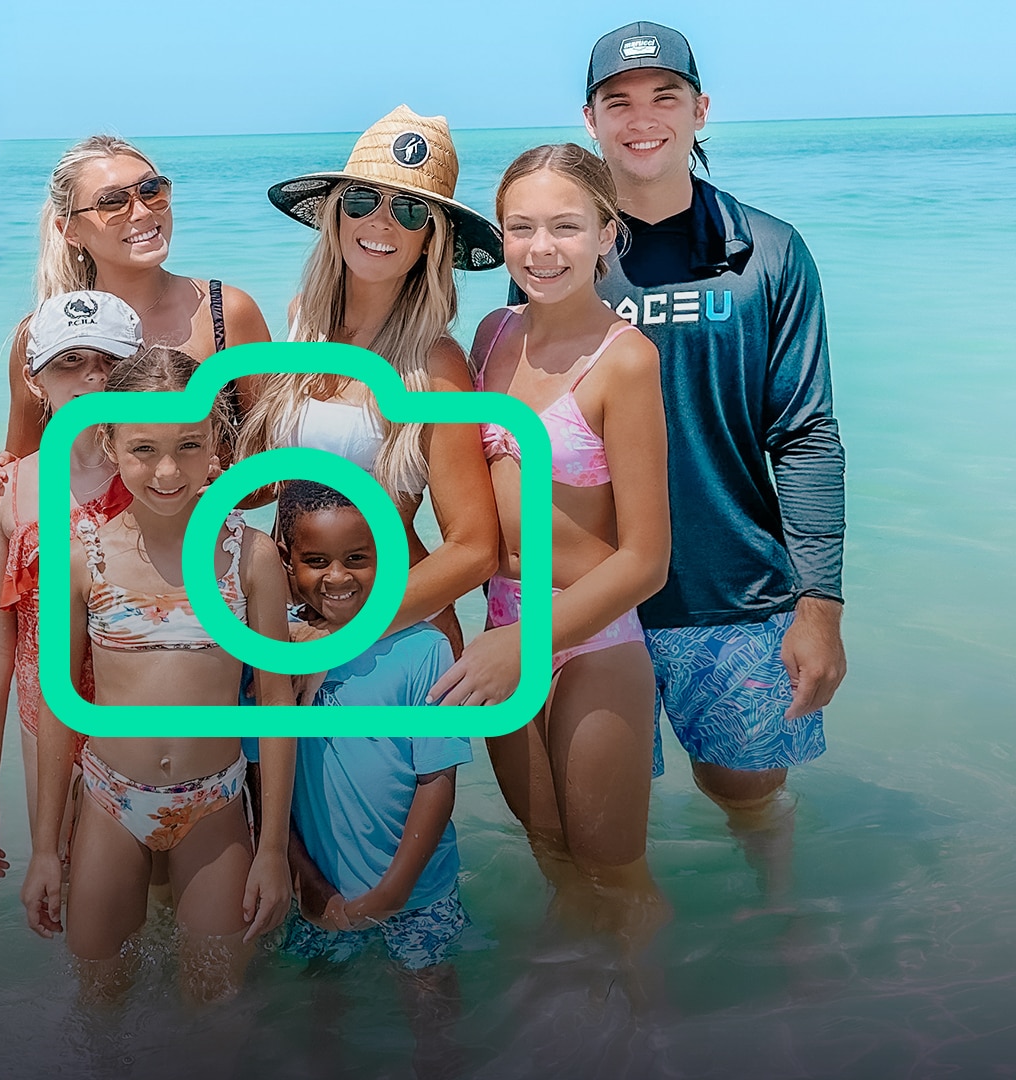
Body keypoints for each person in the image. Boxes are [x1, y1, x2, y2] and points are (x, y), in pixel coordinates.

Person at [484, 22, 847, 893]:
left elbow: (805, 432)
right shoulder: (558, 249)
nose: (641, 119)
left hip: (729, 590)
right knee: (590, 834)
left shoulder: (767, 251)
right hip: (586, 601)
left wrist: (821, 604)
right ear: (591, 118)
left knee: (745, 791)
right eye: (619, 102)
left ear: (699, 109)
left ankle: (780, 915)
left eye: (664, 97)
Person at [434, 146, 670, 950]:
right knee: (553, 860)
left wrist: (522, 647)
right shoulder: (491, 335)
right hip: (501, 624)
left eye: (567, 227)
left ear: (609, 232)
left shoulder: (625, 360)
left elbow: (646, 560)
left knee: (616, 875)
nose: (542, 248)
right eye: (521, 227)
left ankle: (651, 1031)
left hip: (589, 637)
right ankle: (572, 1018)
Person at [20, 346, 296, 1004]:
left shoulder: (249, 557)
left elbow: (277, 705)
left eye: (189, 446)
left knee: (215, 1006)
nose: (167, 470)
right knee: (101, 1005)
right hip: (111, 802)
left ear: (217, 448)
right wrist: (42, 849)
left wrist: (274, 849)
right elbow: (61, 705)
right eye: (143, 448)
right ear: (108, 443)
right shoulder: (81, 558)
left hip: (217, 804)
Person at [240, 105, 501, 652]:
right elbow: (277, 485)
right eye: (362, 201)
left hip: (393, 630)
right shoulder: (300, 324)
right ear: (336, 215)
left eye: (410, 211)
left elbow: (475, 549)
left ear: (431, 239)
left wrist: (340, 635)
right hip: (288, 624)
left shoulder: (435, 364)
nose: (381, 223)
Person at [274, 480, 470, 1076]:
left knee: (433, 1012)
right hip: (317, 890)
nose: (337, 577)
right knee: (320, 1014)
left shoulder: (424, 649)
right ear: (286, 560)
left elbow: (437, 783)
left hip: (419, 890)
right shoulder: (272, 651)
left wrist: (392, 892)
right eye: (315, 561)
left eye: (357, 558)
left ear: (388, 555)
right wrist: (306, 880)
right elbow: (263, 784)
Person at [0, 133, 271, 510]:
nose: (143, 212)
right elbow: (26, 473)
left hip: (197, 552)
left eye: (151, 190)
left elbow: (272, 477)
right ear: (69, 230)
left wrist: (216, 484)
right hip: (85, 561)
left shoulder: (227, 313)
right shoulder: (43, 335)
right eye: (112, 202)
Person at [0, 291, 143, 882]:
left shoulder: (167, 479)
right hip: (47, 731)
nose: (92, 377)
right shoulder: (8, 491)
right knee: (64, 889)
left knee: (163, 906)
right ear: (36, 380)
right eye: (69, 362)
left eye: (110, 362)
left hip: (149, 723)